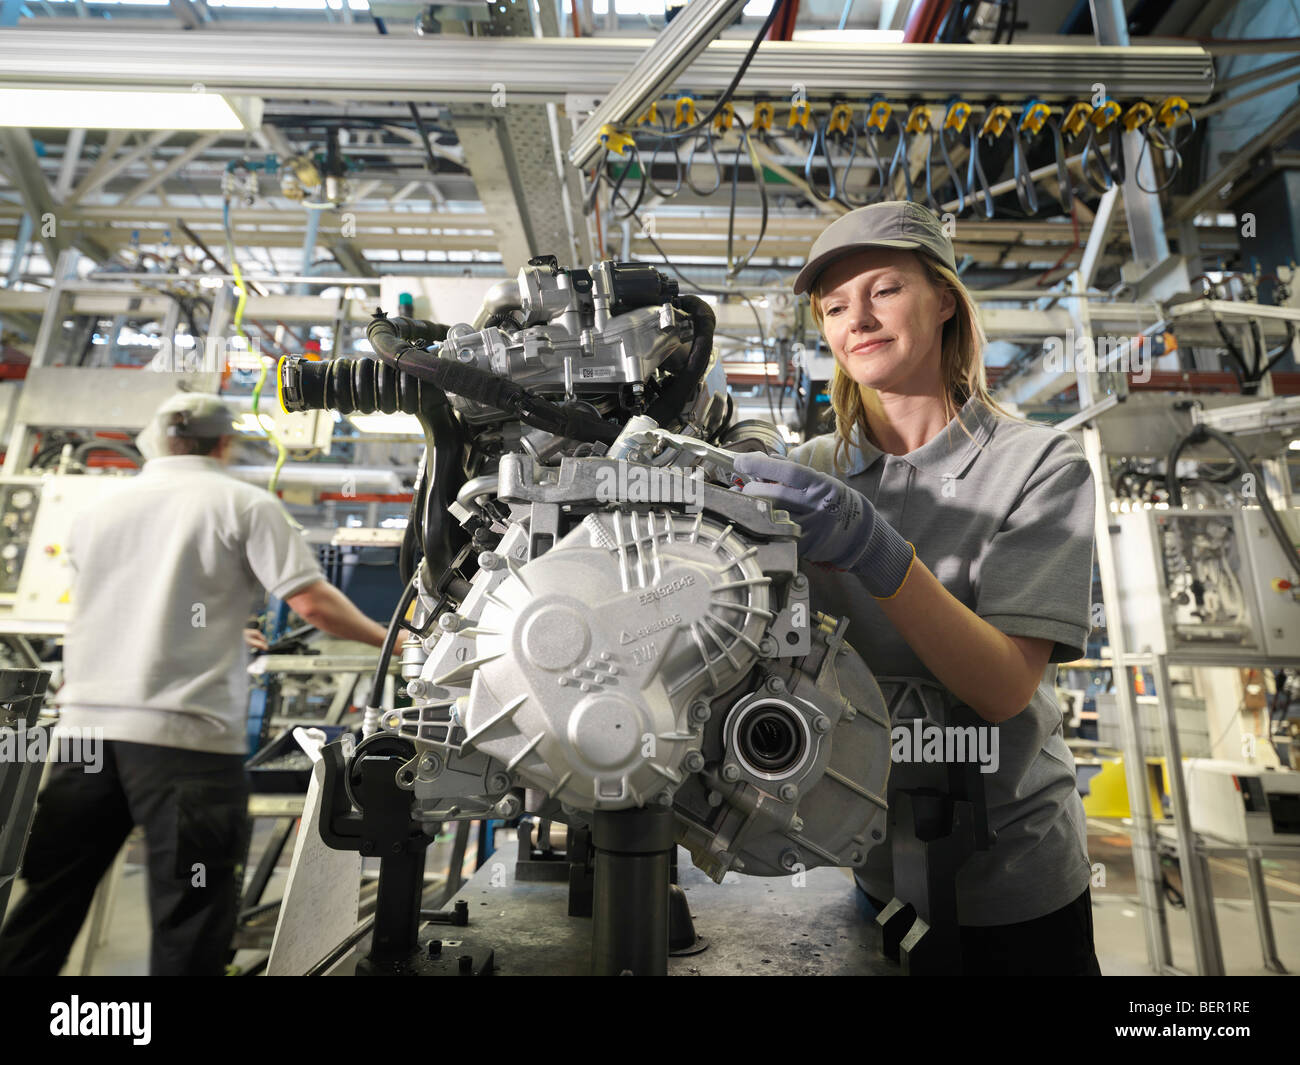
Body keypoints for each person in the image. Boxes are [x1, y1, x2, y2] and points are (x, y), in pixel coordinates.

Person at [732, 201, 1102, 976]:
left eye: (884, 290)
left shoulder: (1039, 465)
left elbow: (1003, 687)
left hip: (1010, 877)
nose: (857, 317)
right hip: (864, 862)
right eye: (834, 307)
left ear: (942, 300)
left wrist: (876, 550)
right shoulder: (809, 476)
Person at [0, 392, 389, 976]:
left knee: (48, 905)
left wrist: (221, 632)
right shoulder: (242, 504)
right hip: (186, 747)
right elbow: (313, 604)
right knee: (190, 914)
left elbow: (129, 607)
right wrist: (394, 639)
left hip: (85, 740)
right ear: (225, 442)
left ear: (158, 440)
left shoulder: (97, 511)